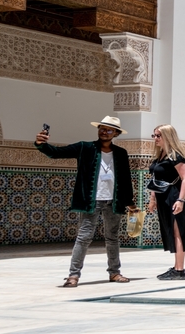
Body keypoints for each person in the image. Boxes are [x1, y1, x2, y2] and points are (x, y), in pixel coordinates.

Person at [34, 115, 138, 287]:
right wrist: (41, 144)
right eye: (102, 128)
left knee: (112, 238)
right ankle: (73, 275)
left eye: (109, 130)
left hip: (114, 201)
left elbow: (126, 180)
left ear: (116, 133)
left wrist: (130, 203)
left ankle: (114, 273)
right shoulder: (85, 147)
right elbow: (56, 153)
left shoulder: (121, 153)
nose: (104, 132)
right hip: (91, 201)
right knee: (83, 237)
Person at [147, 125, 185, 280]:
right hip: (162, 198)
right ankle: (176, 266)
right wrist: (152, 199)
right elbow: (155, 180)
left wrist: (180, 200)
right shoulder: (160, 156)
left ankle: (180, 270)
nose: (155, 139)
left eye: (158, 135)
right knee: (171, 231)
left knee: (178, 231)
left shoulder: (176, 157)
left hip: (173, 197)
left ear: (167, 136)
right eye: (154, 135)